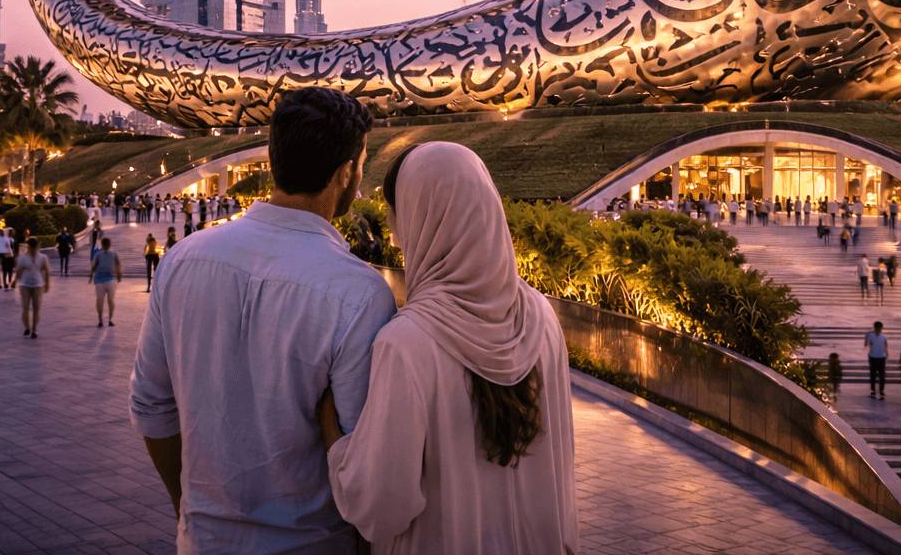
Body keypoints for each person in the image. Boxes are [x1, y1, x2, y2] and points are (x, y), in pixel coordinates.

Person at [130, 86, 397, 554]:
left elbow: (152, 405)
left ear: (275, 159)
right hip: (312, 542)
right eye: (361, 164)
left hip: (203, 541)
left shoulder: (183, 259)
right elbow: (358, 451)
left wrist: (186, 506)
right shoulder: (359, 292)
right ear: (345, 174)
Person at [322, 141, 579, 554]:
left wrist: (331, 432)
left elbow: (382, 505)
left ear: (426, 218)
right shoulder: (541, 318)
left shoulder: (409, 342)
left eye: (397, 213)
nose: (393, 231)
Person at [15, 236, 51, 339]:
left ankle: (34, 329)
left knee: (36, 308)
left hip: (38, 285)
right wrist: (16, 280)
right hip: (25, 285)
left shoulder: (43, 257)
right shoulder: (22, 257)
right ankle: (27, 328)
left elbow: (47, 271)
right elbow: (18, 270)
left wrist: (47, 283)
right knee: (25, 307)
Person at [92, 237, 123, 327]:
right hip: (110, 280)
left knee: (100, 300)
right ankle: (109, 319)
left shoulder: (98, 254)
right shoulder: (113, 254)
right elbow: (118, 265)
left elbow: (94, 267)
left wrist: (91, 273)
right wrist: (119, 275)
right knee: (110, 300)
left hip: (100, 280)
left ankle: (101, 319)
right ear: (109, 244)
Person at [863, 321, 888, 400]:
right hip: (873, 357)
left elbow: (886, 345)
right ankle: (873, 389)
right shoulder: (870, 335)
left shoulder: (883, 336)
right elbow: (866, 344)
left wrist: (886, 354)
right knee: (873, 374)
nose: (880, 329)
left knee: (882, 375)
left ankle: (881, 390)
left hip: (881, 357)